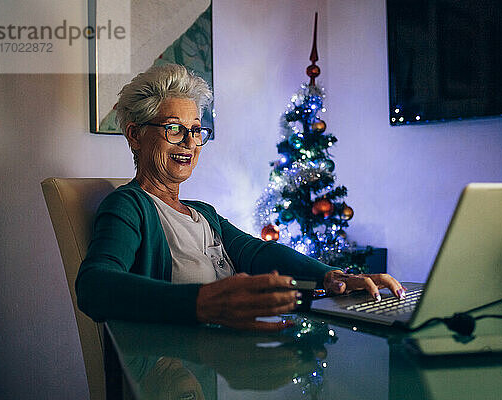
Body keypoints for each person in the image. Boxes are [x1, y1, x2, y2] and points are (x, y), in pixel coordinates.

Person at [76, 64, 406, 331]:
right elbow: (94, 286)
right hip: (175, 370)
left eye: (195, 130)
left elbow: (258, 253)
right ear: (135, 135)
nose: (189, 143)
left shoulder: (203, 214)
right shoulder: (129, 206)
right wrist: (201, 302)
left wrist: (332, 276)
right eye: (174, 129)